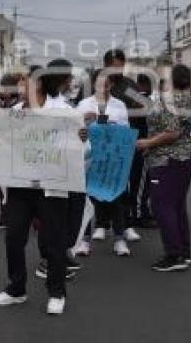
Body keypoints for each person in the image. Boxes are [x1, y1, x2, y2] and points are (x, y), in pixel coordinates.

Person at [0, 59, 88, 316]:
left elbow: (83, 151)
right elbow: (2, 144)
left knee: (54, 241)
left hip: (53, 185)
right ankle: (16, 288)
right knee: (14, 237)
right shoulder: (14, 112)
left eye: (28, 80)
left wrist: (82, 139)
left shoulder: (65, 111)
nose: (23, 85)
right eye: (22, 81)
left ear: (41, 84)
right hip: (21, 186)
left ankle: (56, 292)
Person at [136, 64, 191, 273]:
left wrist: (148, 143)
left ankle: (174, 254)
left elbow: (172, 132)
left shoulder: (172, 99)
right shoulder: (184, 97)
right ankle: (183, 251)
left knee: (162, 206)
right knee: (176, 206)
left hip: (170, 159)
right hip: (183, 156)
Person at [75, 69, 138, 257]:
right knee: (86, 201)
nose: (103, 87)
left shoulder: (119, 105)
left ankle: (119, 239)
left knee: (116, 199)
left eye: (107, 83)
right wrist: (86, 124)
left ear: (111, 85)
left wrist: (111, 125)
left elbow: (125, 131)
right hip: (89, 157)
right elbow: (75, 131)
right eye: (99, 83)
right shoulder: (83, 104)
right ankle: (84, 241)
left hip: (112, 159)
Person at [104, 50, 153, 228]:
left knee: (134, 179)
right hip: (108, 141)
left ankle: (131, 215)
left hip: (133, 138)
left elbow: (145, 106)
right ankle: (107, 218)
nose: (119, 69)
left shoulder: (128, 84)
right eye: (116, 66)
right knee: (110, 180)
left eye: (121, 66)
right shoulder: (101, 84)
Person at [0, 72, 25, 230]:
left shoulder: (21, 103)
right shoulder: (1, 103)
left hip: (18, 151)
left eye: (5, 88)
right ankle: (4, 215)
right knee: (1, 183)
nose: (2, 91)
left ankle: (16, 216)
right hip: (1, 149)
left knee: (16, 186)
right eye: (1, 88)